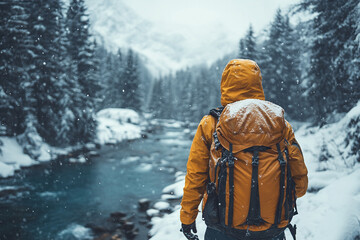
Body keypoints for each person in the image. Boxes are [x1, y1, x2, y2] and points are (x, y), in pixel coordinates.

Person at [180, 59, 308, 240]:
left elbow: (196, 176)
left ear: (225, 84)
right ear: (258, 83)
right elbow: (300, 181)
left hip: (222, 226)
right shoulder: (279, 123)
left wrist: (187, 216)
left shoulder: (211, 123)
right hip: (272, 227)